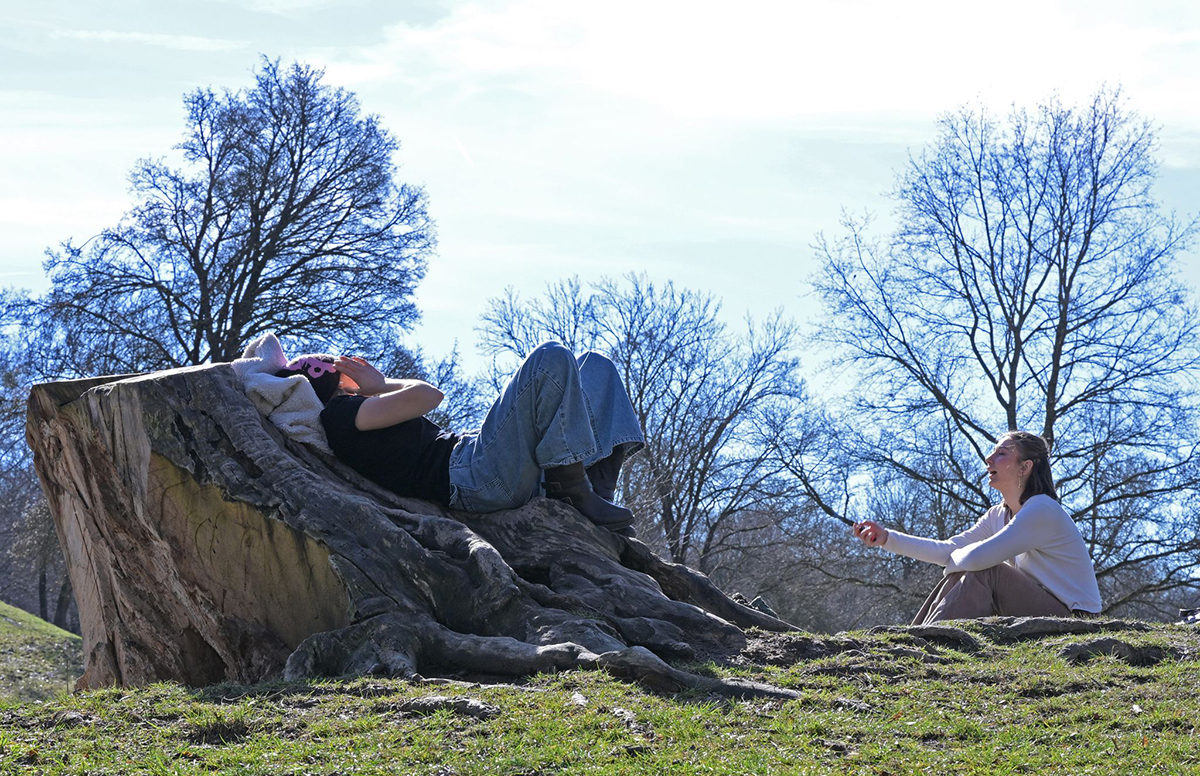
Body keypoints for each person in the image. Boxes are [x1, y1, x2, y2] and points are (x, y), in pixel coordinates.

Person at [277, 342, 644, 534]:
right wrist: (382, 385)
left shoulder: (352, 414)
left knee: (597, 366)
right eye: (341, 369)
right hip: (472, 476)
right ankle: (573, 490)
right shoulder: (339, 417)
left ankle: (593, 490)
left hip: (479, 462)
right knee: (549, 358)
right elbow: (429, 397)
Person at [851, 430, 1102, 624]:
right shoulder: (997, 515)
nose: (988, 459)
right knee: (970, 570)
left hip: (1075, 620)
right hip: (1039, 608)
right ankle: (919, 640)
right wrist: (887, 539)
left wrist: (956, 562)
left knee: (986, 570)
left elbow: (976, 559)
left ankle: (931, 644)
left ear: (1025, 467)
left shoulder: (1041, 509)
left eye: (1001, 454)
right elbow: (949, 550)